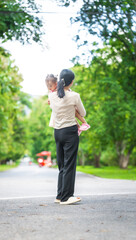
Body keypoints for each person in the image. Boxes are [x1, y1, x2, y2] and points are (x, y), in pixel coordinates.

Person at [48, 69, 86, 205]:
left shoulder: (52, 96)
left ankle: (59, 195)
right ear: (71, 82)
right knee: (69, 165)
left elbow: (53, 105)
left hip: (57, 133)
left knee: (62, 165)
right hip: (70, 132)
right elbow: (83, 112)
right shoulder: (74, 96)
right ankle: (67, 197)